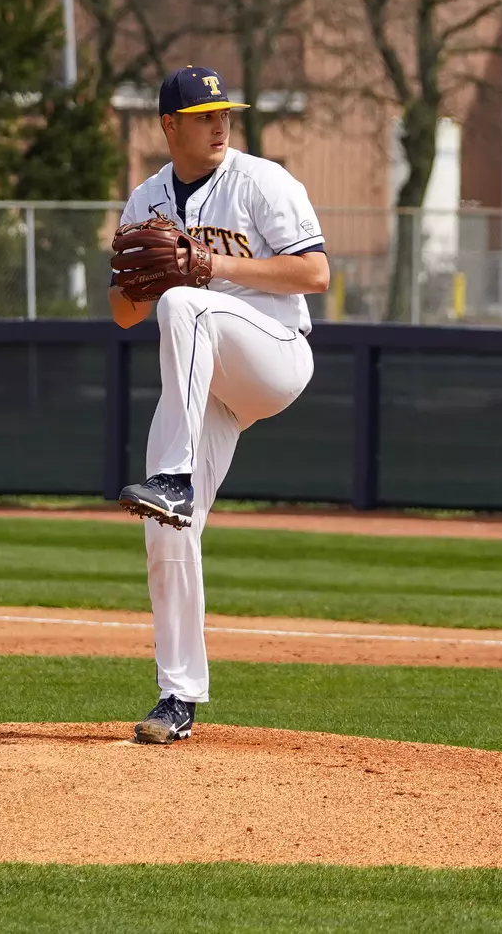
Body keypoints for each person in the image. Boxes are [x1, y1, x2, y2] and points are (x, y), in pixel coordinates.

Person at [109, 65, 329, 744]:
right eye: (204, 114)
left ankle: (174, 477)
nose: (219, 121)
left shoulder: (262, 181)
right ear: (169, 126)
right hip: (206, 389)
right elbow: (122, 313)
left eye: (223, 111)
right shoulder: (145, 199)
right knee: (164, 529)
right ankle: (177, 698)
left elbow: (315, 274)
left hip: (272, 355)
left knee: (187, 303)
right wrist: (145, 278)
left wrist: (209, 266)